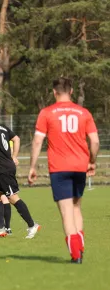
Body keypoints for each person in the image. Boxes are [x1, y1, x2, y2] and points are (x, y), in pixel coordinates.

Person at [28, 78, 99, 264]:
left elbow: (37, 141)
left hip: (59, 168)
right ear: (72, 91)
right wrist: (92, 161)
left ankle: (76, 254)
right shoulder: (83, 112)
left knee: (66, 211)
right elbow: (95, 141)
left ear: (54, 92)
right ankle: (80, 245)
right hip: (80, 167)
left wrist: (32, 166)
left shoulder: (47, 113)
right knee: (76, 207)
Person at [0, 103, 40, 239]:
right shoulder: (2, 127)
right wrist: (14, 156)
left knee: (12, 197)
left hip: (4, 168)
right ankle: (0, 228)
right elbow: (16, 139)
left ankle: (32, 225)